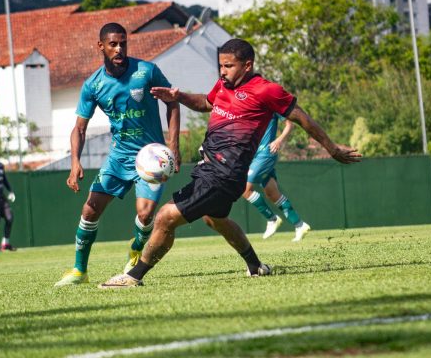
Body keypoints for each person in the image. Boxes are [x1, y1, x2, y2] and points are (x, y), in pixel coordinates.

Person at [101, 38, 360, 288]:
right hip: (210, 169)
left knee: (165, 218)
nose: (222, 72)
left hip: (225, 173)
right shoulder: (224, 86)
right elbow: (205, 103)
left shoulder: (266, 90)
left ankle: (134, 276)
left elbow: (303, 118)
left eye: (228, 66)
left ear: (247, 65)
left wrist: (332, 148)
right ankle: (255, 265)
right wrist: (177, 96)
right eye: (220, 66)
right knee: (215, 219)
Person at [54, 22, 180, 287]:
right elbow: (79, 128)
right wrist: (75, 161)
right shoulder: (93, 85)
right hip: (118, 157)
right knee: (90, 209)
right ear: (101, 46)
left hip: (151, 157)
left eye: (123, 42)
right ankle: (79, 270)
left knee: (145, 215)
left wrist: (174, 146)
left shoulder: (147, 71)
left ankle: (136, 249)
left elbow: (172, 102)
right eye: (113, 44)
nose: (119, 48)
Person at [243, 114, 311, 241]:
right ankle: (300, 225)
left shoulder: (270, 103)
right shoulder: (248, 105)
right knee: (272, 193)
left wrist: (279, 140)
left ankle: (272, 219)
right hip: (255, 156)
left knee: (244, 188)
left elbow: (290, 124)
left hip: (266, 153)